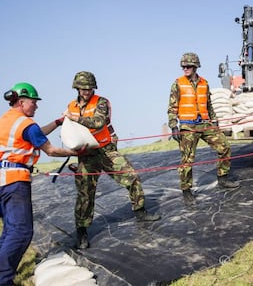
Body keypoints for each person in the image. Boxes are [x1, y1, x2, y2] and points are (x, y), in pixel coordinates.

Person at [63, 71, 160, 250]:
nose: (86, 91)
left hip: (106, 151)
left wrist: (75, 118)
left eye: (89, 88)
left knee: (131, 177)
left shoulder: (101, 102)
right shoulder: (71, 106)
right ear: (77, 88)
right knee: (85, 193)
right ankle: (82, 231)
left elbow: (99, 123)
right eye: (83, 88)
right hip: (86, 155)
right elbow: (69, 130)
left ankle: (140, 211)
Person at [0, 82, 81, 286]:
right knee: (21, 231)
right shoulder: (26, 124)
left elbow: (36, 134)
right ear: (21, 102)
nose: (36, 106)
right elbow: (51, 150)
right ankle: (3, 280)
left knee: (10, 231)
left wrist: (57, 122)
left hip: (2, 178)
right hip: (14, 181)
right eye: (33, 103)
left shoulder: (8, 120)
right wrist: (76, 152)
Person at [167, 53, 239, 205]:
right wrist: (174, 126)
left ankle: (223, 178)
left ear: (195, 67)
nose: (185, 69)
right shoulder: (177, 84)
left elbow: (209, 105)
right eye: (183, 66)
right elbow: (172, 107)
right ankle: (186, 191)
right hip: (187, 126)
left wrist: (215, 122)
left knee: (224, 147)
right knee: (187, 159)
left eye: (188, 66)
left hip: (205, 124)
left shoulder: (204, 83)